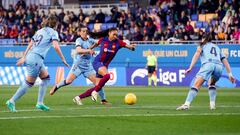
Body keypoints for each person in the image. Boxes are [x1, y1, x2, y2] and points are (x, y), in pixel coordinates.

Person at [6, 15, 69, 112]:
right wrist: (63, 59)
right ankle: (12, 101)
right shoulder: (53, 32)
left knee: (46, 78)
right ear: (56, 24)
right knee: (29, 83)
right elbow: (56, 47)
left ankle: (40, 103)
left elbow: (31, 43)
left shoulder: (40, 30)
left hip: (33, 56)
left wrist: (24, 56)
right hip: (36, 58)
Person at [72, 28, 136, 105]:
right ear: (109, 33)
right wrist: (88, 50)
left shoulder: (118, 42)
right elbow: (95, 44)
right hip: (97, 62)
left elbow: (128, 46)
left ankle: (78, 97)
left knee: (98, 86)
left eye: (116, 34)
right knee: (107, 76)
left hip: (104, 65)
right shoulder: (103, 40)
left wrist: (132, 47)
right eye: (114, 34)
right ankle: (95, 92)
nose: (115, 36)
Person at [49, 26, 109, 105]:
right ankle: (56, 86)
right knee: (68, 81)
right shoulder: (79, 40)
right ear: (79, 33)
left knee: (98, 83)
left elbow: (100, 43)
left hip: (88, 66)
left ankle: (103, 100)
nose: (85, 33)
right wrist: (89, 50)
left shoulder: (91, 40)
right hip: (78, 65)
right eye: (83, 31)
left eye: (86, 31)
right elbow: (78, 50)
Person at [176, 33, 235, 110]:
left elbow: (197, 54)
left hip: (208, 64)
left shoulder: (202, 45)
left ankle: (186, 104)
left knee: (196, 85)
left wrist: (190, 67)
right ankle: (212, 105)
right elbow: (225, 61)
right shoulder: (217, 47)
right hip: (219, 67)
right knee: (212, 83)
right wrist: (230, 74)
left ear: (203, 38)